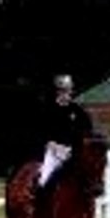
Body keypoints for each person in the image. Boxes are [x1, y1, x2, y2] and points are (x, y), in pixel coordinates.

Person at [33, 74, 93, 209]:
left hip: (75, 152)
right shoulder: (48, 110)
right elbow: (43, 135)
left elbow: (88, 129)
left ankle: (87, 211)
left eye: (69, 90)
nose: (68, 94)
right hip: (54, 152)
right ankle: (40, 209)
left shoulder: (77, 110)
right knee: (43, 180)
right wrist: (55, 147)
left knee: (88, 178)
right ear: (58, 92)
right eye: (65, 90)